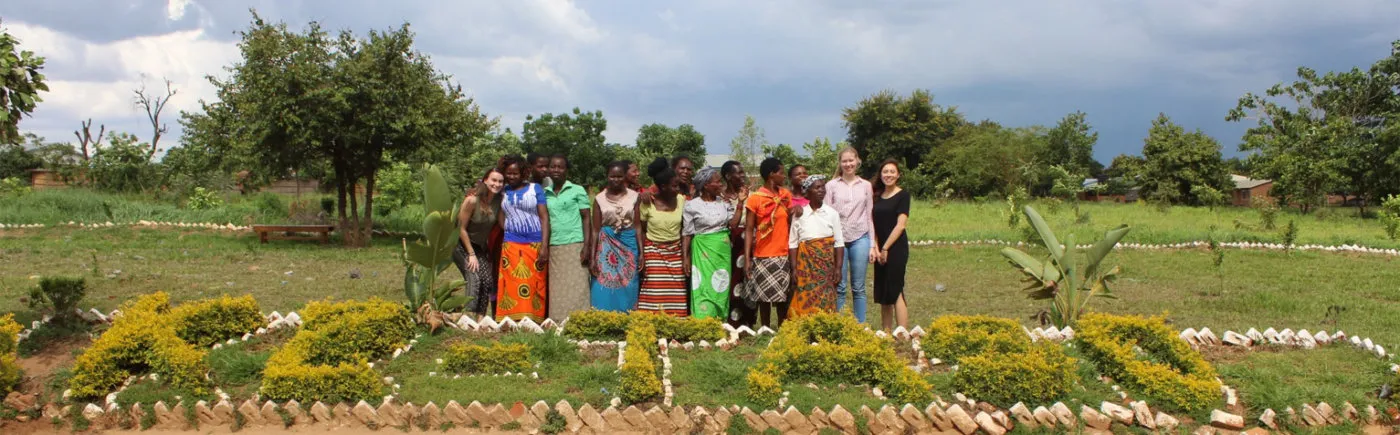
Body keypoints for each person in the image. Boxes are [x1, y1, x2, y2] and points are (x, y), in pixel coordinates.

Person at [495, 155, 551, 322]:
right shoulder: (504, 191)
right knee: (511, 284)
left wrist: (544, 246)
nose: (511, 176)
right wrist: (510, 229)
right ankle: (511, 319)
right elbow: (501, 215)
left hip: (534, 244)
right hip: (511, 243)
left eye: (515, 173)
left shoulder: (535, 189)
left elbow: (544, 217)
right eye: (508, 173)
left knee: (534, 283)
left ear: (524, 173)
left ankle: (532, 320)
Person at [683, 167, 741, 320]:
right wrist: (686, 258)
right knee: (701, 284)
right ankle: (702, 322)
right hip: (702, 249)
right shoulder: (691, 205)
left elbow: (733, 224)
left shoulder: (724, 203)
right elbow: (687, 234)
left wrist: (740, 204)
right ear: (706, 185)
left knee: (720, 283)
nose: (721, 185)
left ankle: (719, 320)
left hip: (722, 250)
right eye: (717, 182)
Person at [825, 147, 875, 323]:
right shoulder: (831, 186)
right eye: (844, 161)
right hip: (837, 240)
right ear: (840, 163)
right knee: (839, 286)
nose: (848, 164)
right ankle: (840, 325)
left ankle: (860, 326)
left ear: (857, 161)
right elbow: (826, 214)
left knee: (859, 287)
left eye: (851, 161)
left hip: (860, 238)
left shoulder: (866, 185)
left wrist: (872, 245)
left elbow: (870, 215)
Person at [636, 158, 688, 315]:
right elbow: (642, 229)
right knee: (654, 290)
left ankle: (676, 324)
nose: (677, 188)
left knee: (676, 292)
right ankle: (650, 324)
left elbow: (685, 229)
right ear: (663, 187)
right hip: (653, 252)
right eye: (674, 186)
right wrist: (642, 254)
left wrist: (686, 256)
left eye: (678, 185)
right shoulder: (647, 202)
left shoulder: (682, 200)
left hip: (676, 252)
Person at [744, 157, 792, 328]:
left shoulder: (786, 196)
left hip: (782, 252)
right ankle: (765, 328)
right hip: (762, 254)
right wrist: (748, 259)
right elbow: (749, 229)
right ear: (772, 174)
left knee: (782, 297)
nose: (784, 176)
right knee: (763, 297)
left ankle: (782, 328)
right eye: (781, 172)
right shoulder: (755, 198)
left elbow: (790, 221)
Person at [787, 175, 843, 318]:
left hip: (826, 266)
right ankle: (804, 328)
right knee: (805, 294)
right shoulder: (800, 214)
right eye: (817, 187)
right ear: (807, 192)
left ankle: (824, 327)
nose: (821, 190)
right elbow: (793, 243)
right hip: (805, 266)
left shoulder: (832, 214)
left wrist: (837, 268)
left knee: (827, 296)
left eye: (823, 187)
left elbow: (839, 243)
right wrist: (794, 269)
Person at [589, 161, 641, 312]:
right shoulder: (599, 199)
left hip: (629, 245)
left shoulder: (634, 197)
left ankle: (626, 318)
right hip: (605, 246)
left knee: (628, 283)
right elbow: (595, 230)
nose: (616, 180)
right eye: (612, 176)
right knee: (602, 283)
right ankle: (602, 317)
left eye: (619, 176)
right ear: (607, 177)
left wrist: (641, 253)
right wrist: (592, 258)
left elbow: (637, 226)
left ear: (625, 176)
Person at [453, 168, 504, 318]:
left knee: (487, 280)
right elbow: (460, 228)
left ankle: (480, 319)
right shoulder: (472, 200)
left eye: (500, 181)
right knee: (474, 277)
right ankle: (467, 317)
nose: (497, 184)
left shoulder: (498, 201)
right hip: (460, 244)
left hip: (479, 246)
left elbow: (502, 224)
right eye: (494, 180)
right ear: (485, 180)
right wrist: (471, 254)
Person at [546, 154, 591, 319]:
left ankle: (580, 321)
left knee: (578, 285)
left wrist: (587, 246)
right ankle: (558, 322)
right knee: (558, 288)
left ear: (566, 170)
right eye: (553, 166)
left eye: (560, 167)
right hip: (554, 246)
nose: (556, 170)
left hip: (575, 244)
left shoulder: (577, 190)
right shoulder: (545, 193)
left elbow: (587, 218)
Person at [871, 159, 910, 331]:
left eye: (892, 172)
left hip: (896, 248)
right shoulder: (877, 196)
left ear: (898, 175)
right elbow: (872, 223)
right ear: (881, 174)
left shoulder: (903, 195)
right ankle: (886, 332)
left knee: (895, 289)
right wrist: (877, 248)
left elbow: (900, 225)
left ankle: (902, 332)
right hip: (880, 248)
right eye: (885, 171)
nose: (888, 175)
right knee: (883, 291)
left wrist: (886, 248)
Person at [720, 160, 754, 326]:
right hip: (727, 242)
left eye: (743, 172)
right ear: (727, 176)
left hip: (746, 241)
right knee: (729, 279)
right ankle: (729, 319)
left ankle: (747, 321)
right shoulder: (719, 196)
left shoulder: (751, 195)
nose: (742, 176)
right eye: (738, 173)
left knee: (746, 279)